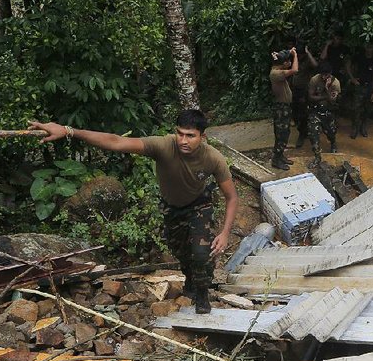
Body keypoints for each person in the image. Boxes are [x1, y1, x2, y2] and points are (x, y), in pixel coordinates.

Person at [27, 111, 238, 315]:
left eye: (190, 136)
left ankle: (202, 293)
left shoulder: (213, 158)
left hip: (199, 205)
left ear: (202, 137)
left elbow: (231, 197)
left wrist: (225, 233)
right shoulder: (164, 145)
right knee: (181, 251)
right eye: (180, 133)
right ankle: (190, 276)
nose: (183, 140)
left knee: (201, 253)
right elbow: (116, 142)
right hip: (171, 207)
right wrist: (69, 131)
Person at [268, 48, 298, 170]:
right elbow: (295, 70)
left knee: (285, 132)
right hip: (281, 108)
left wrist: (290, 52)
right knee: (281, 134)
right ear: (283, 63)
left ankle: (280, 156)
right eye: (288, 61)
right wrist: (295, 55)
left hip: (284, 107)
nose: (289, 63)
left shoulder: (278, 68)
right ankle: (276, 160)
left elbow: (280, 57)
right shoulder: (276, 73)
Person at [307, 61, 341, 164]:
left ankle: (333, 143)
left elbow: (332, 100)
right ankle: (317, 156)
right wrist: (324, 97)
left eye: (326, 74)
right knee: (313, 133)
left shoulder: (335, 83)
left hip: (328, 112)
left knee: (330, 132)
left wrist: (327, 88)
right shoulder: (314, 79)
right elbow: (311, 96)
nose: (324, 77)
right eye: (322, 74)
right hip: (316, 111)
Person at [289, 38, 318, 148]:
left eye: (301, 54)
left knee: (303, 113)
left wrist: (307, 52)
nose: (300, 56)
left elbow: (316, 65)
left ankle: (303, 133)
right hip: (293, 89)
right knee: (295, 111)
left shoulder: (307, 60)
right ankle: (302, 130)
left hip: (304, 90)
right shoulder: (293, 58)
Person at [346, 44, 373, 138]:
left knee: (367, 109)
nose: (369, 49)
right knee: (356, 108)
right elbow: (348, 64)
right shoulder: (359, 57)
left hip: (370, 87)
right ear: (365, 47)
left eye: (371, 47)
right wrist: (352, 78)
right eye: (368, 47)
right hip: (359, 86)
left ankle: (363, 127)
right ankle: (355, 128)